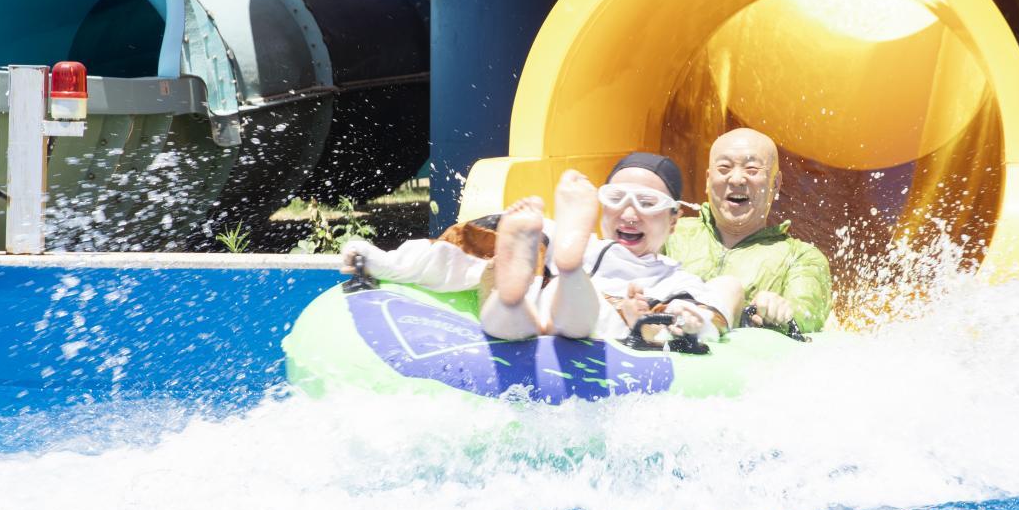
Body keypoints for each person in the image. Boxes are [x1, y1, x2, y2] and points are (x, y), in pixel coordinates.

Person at [342, 153, 744, 347]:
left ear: (673, 220)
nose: (629, 213)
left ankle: (566, 275)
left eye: (647, 203)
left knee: (581, 302)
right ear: (600, 205)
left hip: (600, 323)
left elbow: (703, 317)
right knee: (498, 264)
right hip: (541, 299)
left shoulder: (675, 279)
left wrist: (680, 322)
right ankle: (526, 290)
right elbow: (460, 249)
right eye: (616, 198)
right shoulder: (547, 234)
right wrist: (382, 262)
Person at [665, 128, 833, 333]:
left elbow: (808, 317)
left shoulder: (801, 257)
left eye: (752, 169)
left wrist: (781, 313)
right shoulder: (669, 233)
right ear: (708, 180)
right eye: (724, 168)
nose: (736, 179)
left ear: (776, 184)